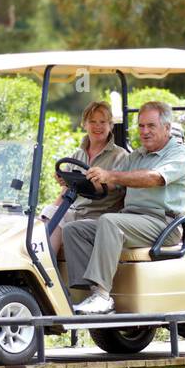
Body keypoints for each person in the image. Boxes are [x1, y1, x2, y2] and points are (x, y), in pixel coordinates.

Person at [62, 100, 185, 315]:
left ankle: (103, 296)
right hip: (133, 219)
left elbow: (154, 178)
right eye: (141, 126)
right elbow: (111, 183)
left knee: (110, 221)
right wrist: (74, 181)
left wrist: (111, 174)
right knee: (74, 230)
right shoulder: (136, 156)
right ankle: (89, 294)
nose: (145, 131)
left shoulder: (178, 154)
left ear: (167, 128)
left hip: (164, 223)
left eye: (151, 126)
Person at [43, 100, 128, 254]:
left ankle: (48, 270)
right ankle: (45, 270)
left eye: (103, 122)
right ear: (84, 124)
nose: (97, 126)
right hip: (76, 212)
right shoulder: (77, 154)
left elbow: (116, 187)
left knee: (61, 222)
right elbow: (64, 193)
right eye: (92, 121)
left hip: (100, 215)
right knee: (47, 214)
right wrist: (65, 184)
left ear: (111, 125)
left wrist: (89, 183)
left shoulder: (120, 156)